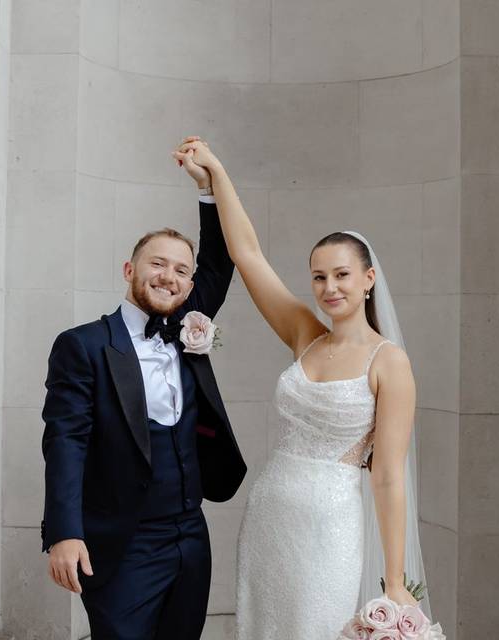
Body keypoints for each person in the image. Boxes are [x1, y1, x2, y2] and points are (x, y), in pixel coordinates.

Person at [173, 138, 431, 639]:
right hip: (270, 514)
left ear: (368, 279)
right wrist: (216, 177)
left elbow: (388, 478)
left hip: (331, 528)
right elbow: (247, 255)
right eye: (318, 277)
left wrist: (395, 581)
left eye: (341, 275)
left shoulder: (390, 363)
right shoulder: (304, 336)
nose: (329, 287)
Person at [40, 141, 246, 640]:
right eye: (157, 264)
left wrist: (207, 186)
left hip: (190, 536)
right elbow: (65, 440)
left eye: (180, 270)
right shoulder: (84, 345)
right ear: (130, 270)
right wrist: (64, 532)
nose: (169, 277)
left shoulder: (187, 324)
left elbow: (222, 261)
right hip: (123, 541)